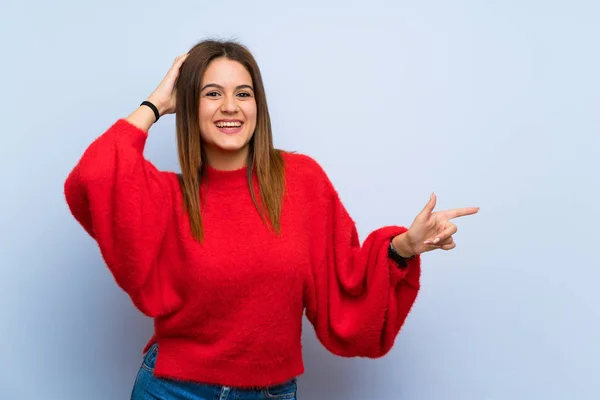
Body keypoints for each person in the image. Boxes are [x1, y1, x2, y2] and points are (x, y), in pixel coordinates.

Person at [64, 39, 479, 400]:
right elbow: (94, 176)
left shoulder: (302, 181)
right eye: (211, 93)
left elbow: (347, 277)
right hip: (173, 389)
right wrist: (156, 102)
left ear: (258, 105)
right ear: (190, 105)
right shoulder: (167, 197)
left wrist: (404, 246)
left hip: (270, 394)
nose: (230, 106)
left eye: (243, 93)